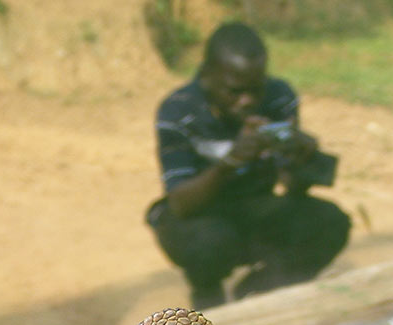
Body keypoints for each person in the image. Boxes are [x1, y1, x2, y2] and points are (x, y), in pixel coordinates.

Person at [146, 21, 351, 308]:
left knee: (330, 223)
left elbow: (293, 190)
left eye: (256, 89)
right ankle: (207, 295)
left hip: (256, 206)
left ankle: (261, 292)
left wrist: (300, 158)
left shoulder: (278, 96)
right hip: (202, 215)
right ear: (207, 76)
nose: (248, 101)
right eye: (235, 91)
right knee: (208, 243)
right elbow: (180, 204)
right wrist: (230, 163)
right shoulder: (179, 110)